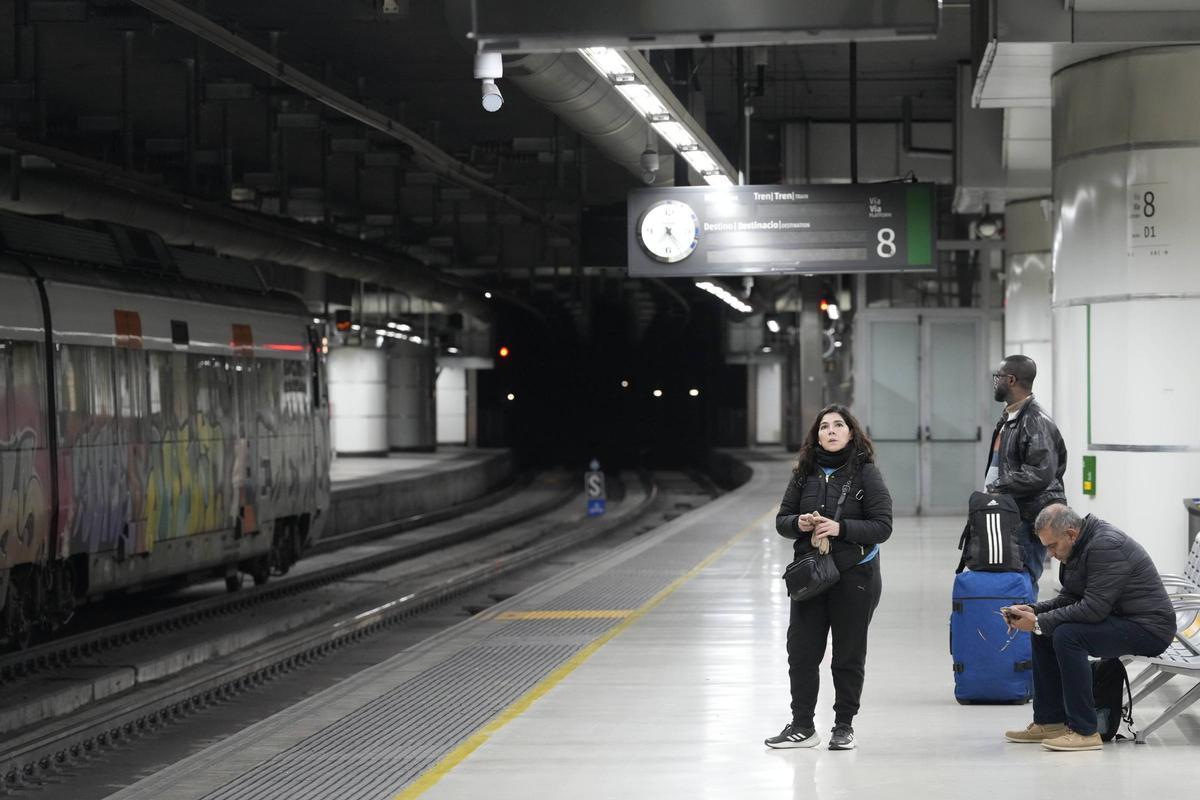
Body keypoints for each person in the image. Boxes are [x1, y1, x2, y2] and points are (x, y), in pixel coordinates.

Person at [765, 404, 893, 751]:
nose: (831, 431)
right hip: (812, 574)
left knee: (848, 655)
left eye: (839, 425)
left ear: (852, 432)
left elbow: (882, 527)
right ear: (816, 435)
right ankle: (803, 726)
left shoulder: (866, 473)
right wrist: (799, 523)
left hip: (855, 574)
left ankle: (843, 725)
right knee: (802, 652)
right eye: (824, 427)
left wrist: (841, 528)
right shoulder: (803, 473)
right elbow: (782, 520)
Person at [1002, 504, 1175, 751]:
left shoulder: (1106, 546)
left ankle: (1085, 730)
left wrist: (1040, 622)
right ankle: (1051, 721)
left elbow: (1093, 609)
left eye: (1052, 546)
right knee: (1045, 634)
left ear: (1071, 534)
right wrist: (1035, 611)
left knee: (1067, 636)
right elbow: (1071, 598)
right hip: (1123, 618)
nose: (1050, 554)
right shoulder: (1078, 548)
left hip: (1149, 629)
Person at [985, 355, 1067, 585]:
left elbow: (1040, 472)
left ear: (1010, 380)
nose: (995, 382)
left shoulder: (1034, 421)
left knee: (1023, 579)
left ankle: (1025, 621)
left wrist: (996, 488)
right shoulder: (1012, 417)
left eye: (998, 377)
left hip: (1030, 518)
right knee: (1014, 578)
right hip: (1016, 514)